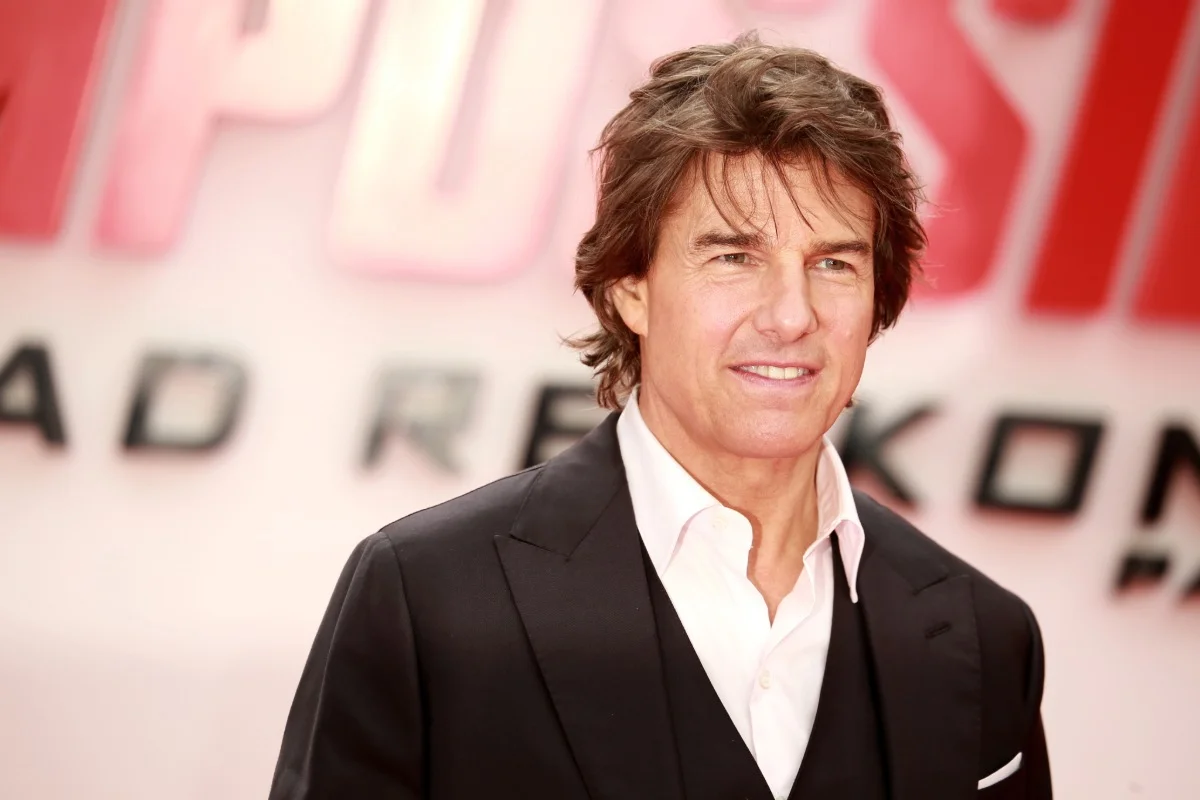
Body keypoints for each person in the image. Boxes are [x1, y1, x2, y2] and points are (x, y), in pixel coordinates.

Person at [268, 32, 1051, 800]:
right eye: (734, 257)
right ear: (629, 290)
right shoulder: (428, 599)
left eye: (833, 263)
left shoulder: (983, 636)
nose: (791, 315)